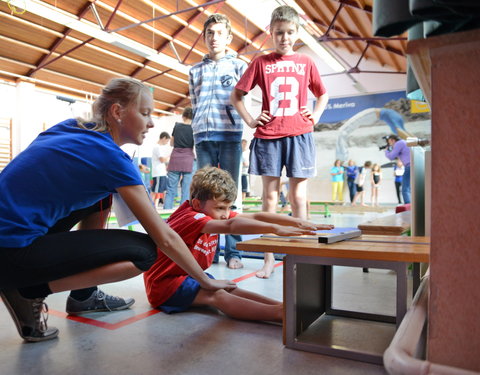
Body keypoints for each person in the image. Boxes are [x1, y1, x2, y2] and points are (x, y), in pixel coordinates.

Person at [0, 77, 235, 343]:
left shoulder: (71, 128)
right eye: (145, 113)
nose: (152, 123)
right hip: (10, 254)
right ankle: (29, 289)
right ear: (117, 112)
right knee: (146, 252)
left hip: (9, 242)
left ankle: (83, 295)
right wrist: (206, 280)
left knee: (98, 195)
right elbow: (165, 238)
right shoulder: (111, 158)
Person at [144, 166, 334, 321]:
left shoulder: (210, 213)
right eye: (220, 208)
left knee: (230, 288)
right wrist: (276, 229)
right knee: (217, 296)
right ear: (196, 204)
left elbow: (256, 215)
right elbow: (231, 225)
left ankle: (282, 306)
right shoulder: (190, 217)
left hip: (187, 275)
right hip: (165, 284)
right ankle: (280, 314)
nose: (226, 213)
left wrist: (296, 221)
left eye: (229, 207)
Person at [231, 5, 329, 278]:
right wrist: (250, 120)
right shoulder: (261, 62)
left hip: (299, 134)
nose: (284, 37)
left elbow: (322, 94)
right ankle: (268, 259)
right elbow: (237, 95)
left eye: (289, 32)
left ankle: (304, 256)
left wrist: (316, 115)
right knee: (270, 198)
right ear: (270, 34)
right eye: (278, 33)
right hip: (269, 136)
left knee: (299, 197)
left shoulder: (306, 63)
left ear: (297, 33)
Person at [189, 13, 248, 270]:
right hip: (203, 136)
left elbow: (242, 101)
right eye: (210, 33)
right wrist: (197, 131)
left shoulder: (238, 66)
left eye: (219, 33)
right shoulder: (195, 70)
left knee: (230, 196)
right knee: (205, 198)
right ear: (204, 37)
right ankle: (207, 251)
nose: (214, 38)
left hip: (229, 135)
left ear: (228, 38)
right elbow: (194, 103)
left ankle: (233, 251)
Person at [164, 107, 195, 209]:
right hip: (188, 160)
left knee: (171, 190)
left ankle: (165, 217)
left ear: (183, 116)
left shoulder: (177, 126)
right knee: (186, 190)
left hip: (175, 158)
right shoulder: (194, 128)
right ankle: (182, 216)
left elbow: (172, 143)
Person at [384, 134, 411, 204]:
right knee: (410, 188)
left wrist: (386, 151)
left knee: (405, 189)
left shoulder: (399, 143)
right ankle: (412, 206)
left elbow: (391, 157)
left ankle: (409, 208)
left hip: (410, 166)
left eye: (390, 142)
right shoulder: (403, 142)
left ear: (393, 140)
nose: (390, 145)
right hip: (413, 165)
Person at [151, 131, 171, 208]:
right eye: (167, 141)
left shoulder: (159, 147)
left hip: (162, 173)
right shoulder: (157, 147)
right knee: (155, 191)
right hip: (158, 173)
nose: (167, 143)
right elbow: (162, 160)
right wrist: (169, 156)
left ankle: (163, 206)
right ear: (164, 138)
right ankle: (151, 207)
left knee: (162, 190)